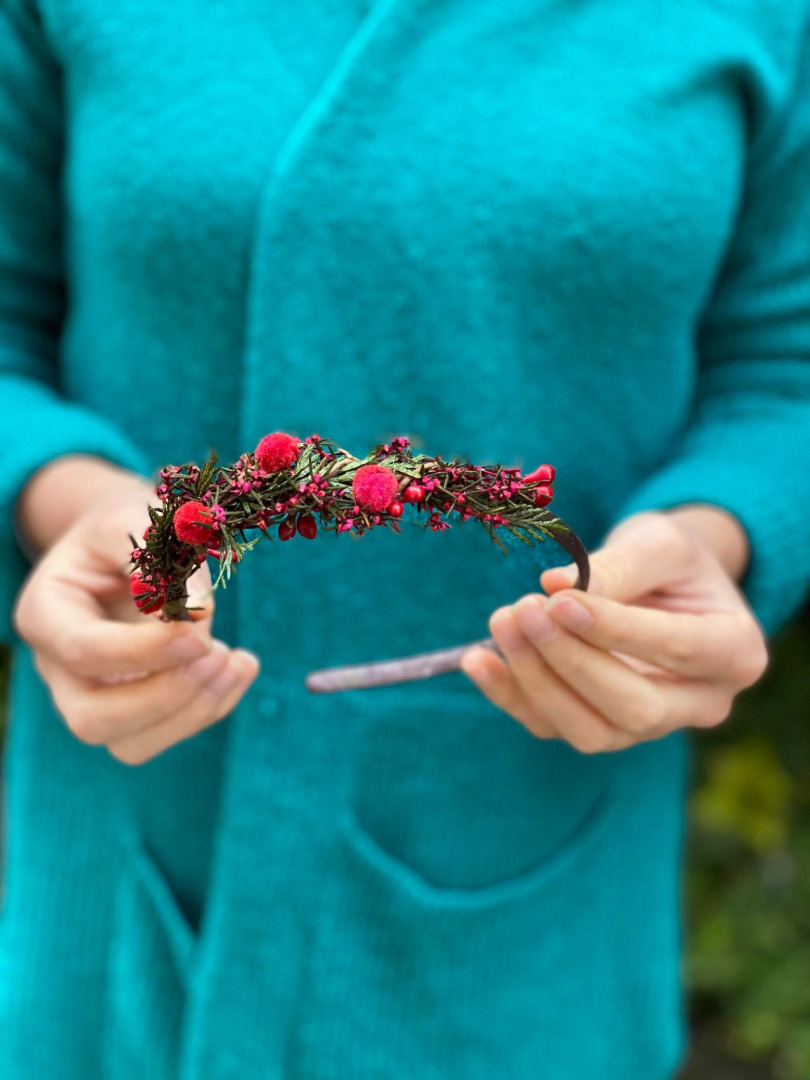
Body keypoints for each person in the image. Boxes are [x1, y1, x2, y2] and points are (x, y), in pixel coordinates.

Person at [1, 1, 809, 1076]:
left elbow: (784, 369)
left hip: (525, 889)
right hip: (120, 862)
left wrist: (717, 533)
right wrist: (65, 496)